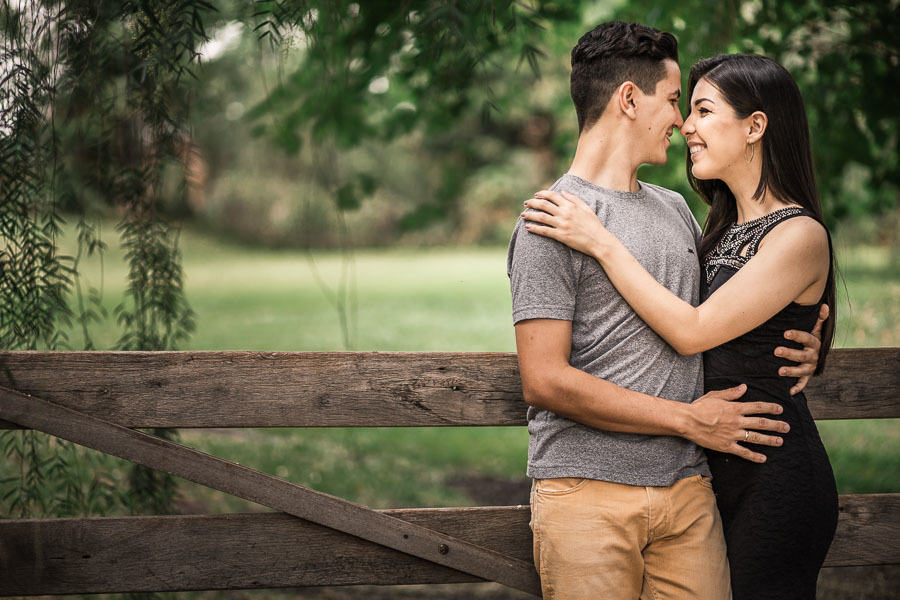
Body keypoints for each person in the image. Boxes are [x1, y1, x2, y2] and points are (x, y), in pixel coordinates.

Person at [507, 22, 827, 600]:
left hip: (694, 490)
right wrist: (686, 419)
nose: (683, 123)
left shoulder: (676, 210)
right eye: (679, 102)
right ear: (629, 99)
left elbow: (712, 317)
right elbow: (544, 379)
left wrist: (814, 339)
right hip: (592, 491)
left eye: (698, 108)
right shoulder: (552, 221)